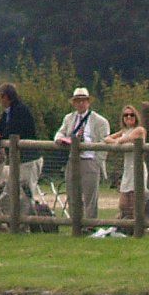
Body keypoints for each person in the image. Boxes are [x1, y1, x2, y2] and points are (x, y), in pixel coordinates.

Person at [54, 86, 108, 222]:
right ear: (74, 103)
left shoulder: (100, 121)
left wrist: (97, 161)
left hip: (90, 160)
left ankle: (90, 225)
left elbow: (105, 142)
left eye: (83, 100)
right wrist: (59, 139)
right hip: (73, 160)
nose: (80, 103)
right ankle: (76, 224)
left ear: (88, 102)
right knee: (72, 194)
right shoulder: (69, 118)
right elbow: (60, 132)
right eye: (77, 101)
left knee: (90, 196)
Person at [106, 104, 149, 222]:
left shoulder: (139, 130)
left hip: (137, 168)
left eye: (131, 115)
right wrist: (116, 141)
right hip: (127, 169)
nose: (129, 117)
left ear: (136, 116)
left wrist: (118, 142)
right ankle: (126, 223)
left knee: (135, 201)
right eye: (126, 115)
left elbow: (125, 139)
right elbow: (106, 138)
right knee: (123, 203)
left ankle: (138, 225)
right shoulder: (124, 131)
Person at [0, 84, 40, 211]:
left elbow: (13, 130)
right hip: (17, 160)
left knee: (25, 195)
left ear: (7, 97)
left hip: (29, 159)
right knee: (8, 194)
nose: (0, 101)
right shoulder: (8, 112)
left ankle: (25, 221)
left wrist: (0, 136)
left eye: (0, 97)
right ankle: (7, 219)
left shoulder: (20, 110)